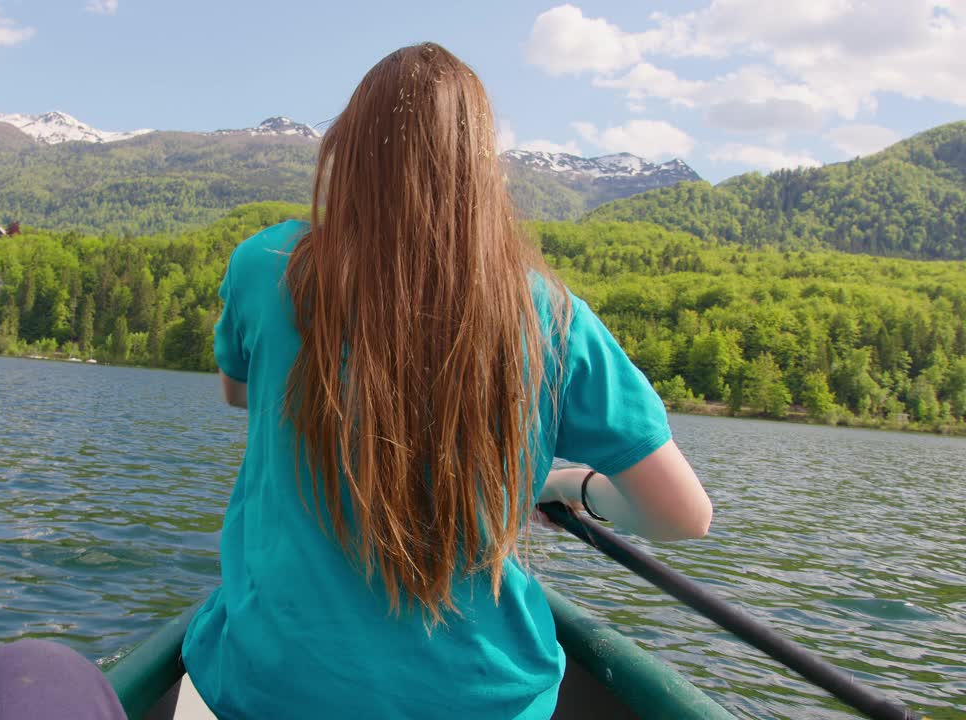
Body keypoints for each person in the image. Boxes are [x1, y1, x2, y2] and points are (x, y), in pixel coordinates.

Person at [180, 42, 712, 719]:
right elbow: (684, 516)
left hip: (274, 692)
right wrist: (577, 486)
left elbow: (239, 391)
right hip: (485, 699)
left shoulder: (266, 265)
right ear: (481, 171)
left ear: (350, 149)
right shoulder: (548, 316)